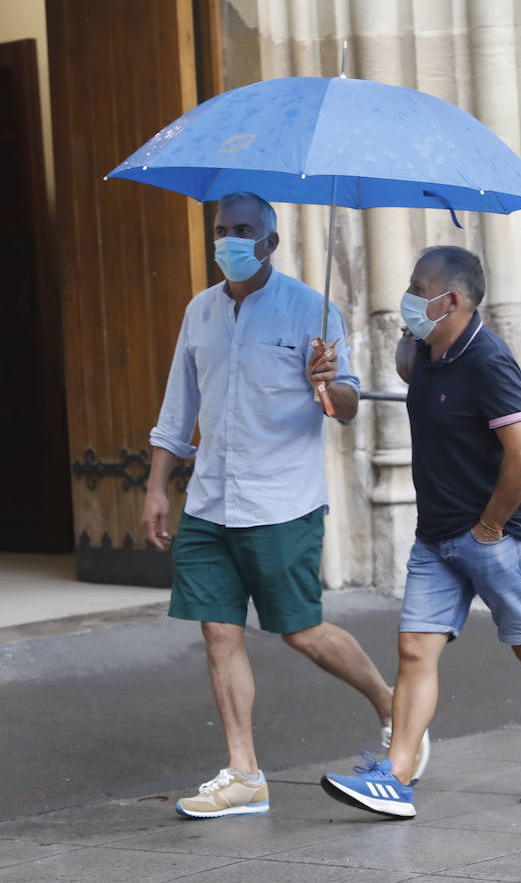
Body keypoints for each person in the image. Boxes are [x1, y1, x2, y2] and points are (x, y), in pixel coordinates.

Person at [142, 191, 428, 819]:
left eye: (243, 230)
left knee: (300, 630)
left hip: (282, 503)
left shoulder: (312, 309)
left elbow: (347, 408)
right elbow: (177, 410)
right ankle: (244, 773)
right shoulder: (200, 312)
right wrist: (157, 485)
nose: (229, 241)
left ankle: (390, 704)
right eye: (221, 230)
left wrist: (325, 382)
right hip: (210, 500)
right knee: (219, 630)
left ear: (270, 241)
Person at [321, 245, 521, 818]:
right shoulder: (426, 352)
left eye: (419, 289)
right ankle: (395, 775)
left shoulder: (489, 362)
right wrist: (334, 364)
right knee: (415, 646)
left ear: (453, 300)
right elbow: (406, 370)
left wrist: (491, 527)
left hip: (498, 534)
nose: (408, 297)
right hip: (436, 534)